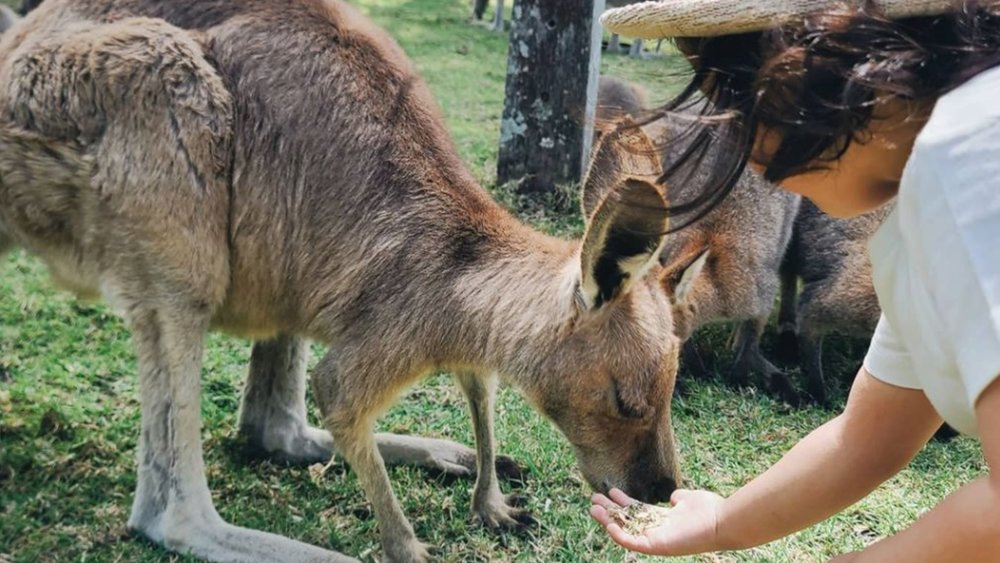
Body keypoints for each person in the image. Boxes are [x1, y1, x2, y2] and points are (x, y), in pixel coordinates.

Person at [591, 0, 1000, 560]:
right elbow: (866, 437)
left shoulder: (967, 152)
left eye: (739, 109)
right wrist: (720, 525)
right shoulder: (913, 220)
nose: (741, 154)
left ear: (824, 61)